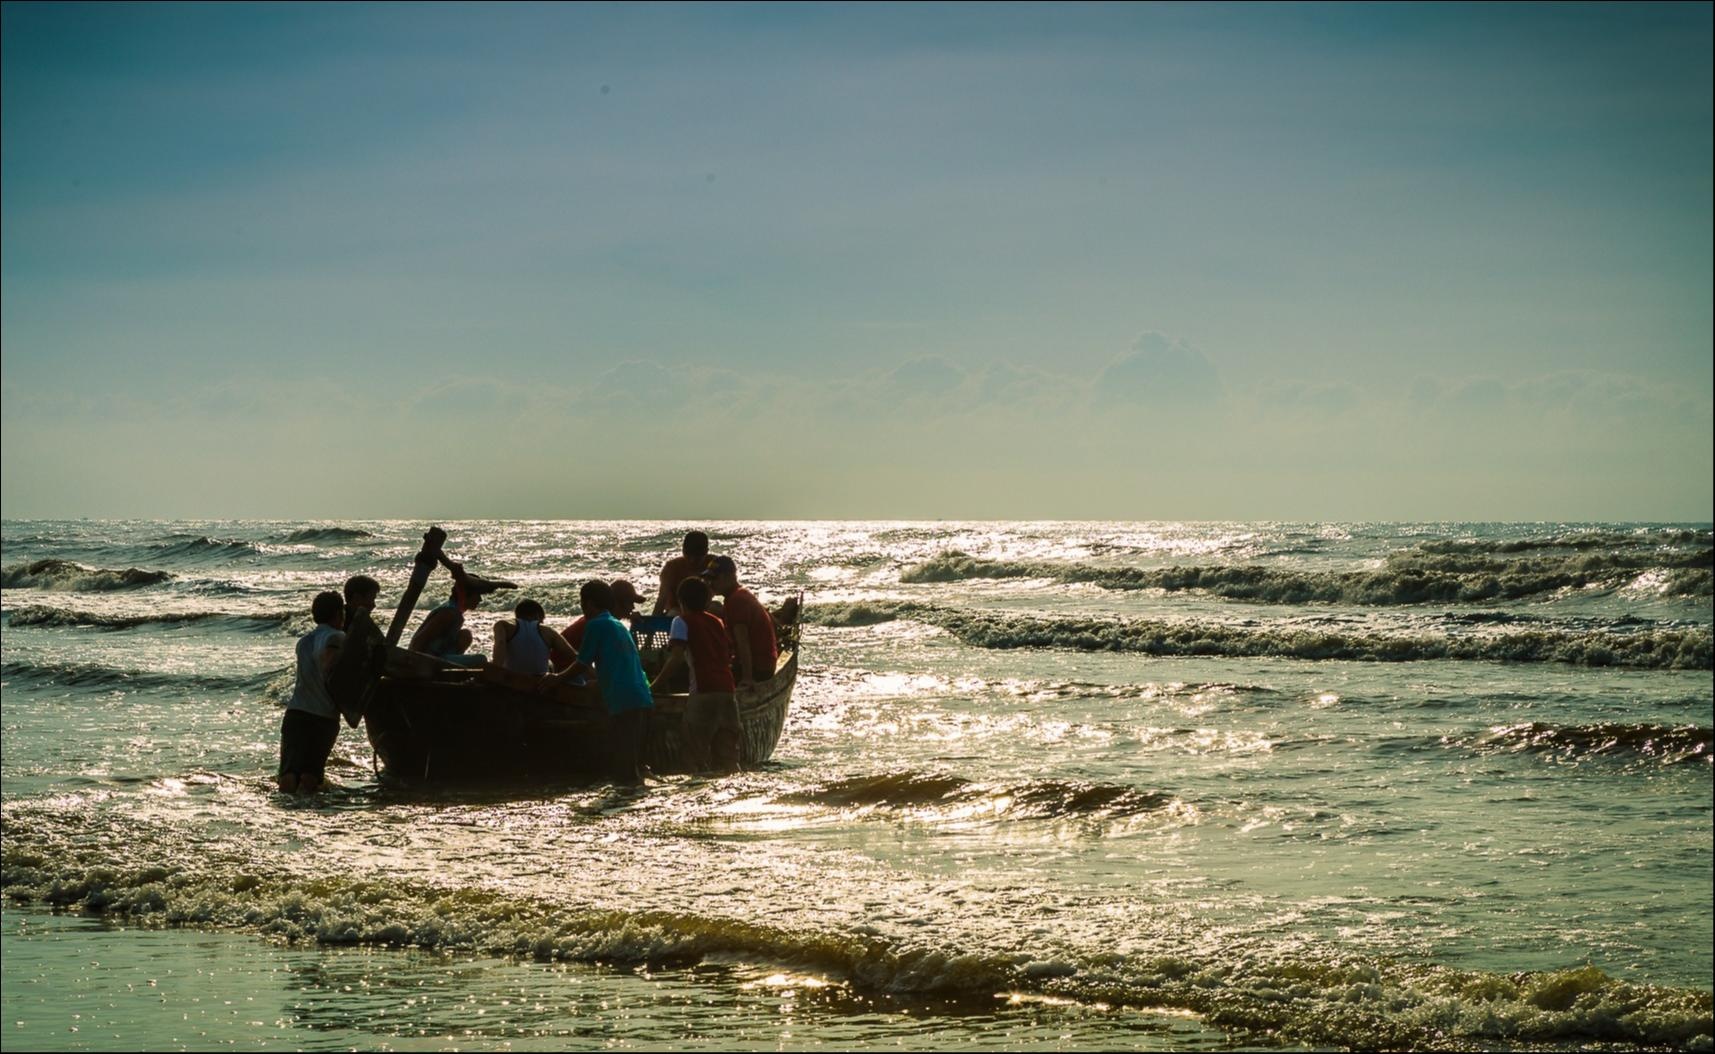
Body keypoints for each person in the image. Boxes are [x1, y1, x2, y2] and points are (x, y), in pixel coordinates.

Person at [545, 580, 655, 784]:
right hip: (641, 694)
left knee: (624, 763)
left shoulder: (596, 624)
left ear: (588, 603)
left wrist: (556, 680)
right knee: (633, 760)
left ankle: (624, 801)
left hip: (622, 698)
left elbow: (581, 663)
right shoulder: (616, 625)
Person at [651, 576, 740, 774]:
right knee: (728, 756)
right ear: (707, 601)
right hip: (727, 690)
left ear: (681, 601)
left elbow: (676, 659)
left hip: (703, 691)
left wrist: (654, 686)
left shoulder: (680, 621)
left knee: (693, 753)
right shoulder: (717, 621)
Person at [279, 591, 346, 794]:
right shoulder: (337, 636)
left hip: (296, 712)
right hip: (322, 716)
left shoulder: (304, 642)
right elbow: (329, 664)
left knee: (288, 774)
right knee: (310, 775)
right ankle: (306, 818)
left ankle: (287, 815)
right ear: (338, 613)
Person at [701, 556, 778, 686]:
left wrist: (747, 677)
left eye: (714, 579)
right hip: (763, 662)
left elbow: (743, 642)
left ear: (728, 577)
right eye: (708, 579)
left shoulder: (736, 601)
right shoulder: (740, 594)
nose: (710, 583)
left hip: (758, 668)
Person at [408, 562, 502, 666]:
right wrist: (413, 664)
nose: (480, 600)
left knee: (465, 635)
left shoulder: (456, 612)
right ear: (466, 594)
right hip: (429, 659)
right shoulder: (449, 613)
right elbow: (419, 641)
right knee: (481, 659)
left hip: (440, 655)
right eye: (477, 595)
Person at [327, 574, 387, 726]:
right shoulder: (345, 625)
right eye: (371, 599)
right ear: (357, 598)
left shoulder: (358, 622)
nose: (373, 605)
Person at [559, 579, 647, 656]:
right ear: (617, 603)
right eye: (630, 603)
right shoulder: (597, 625)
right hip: (564, 668)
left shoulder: (599, 620)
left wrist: (630, 618)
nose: (633, 608)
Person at [494, 598, 578, 675]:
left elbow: (500, 645)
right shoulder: (549, 632)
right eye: (542, 620)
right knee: (550, 664)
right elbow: (575, 657)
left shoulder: (503, 625)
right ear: (538, 616)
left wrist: (494, 672)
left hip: (510, 680)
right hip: (539, 684)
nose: (542, 623)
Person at [653, 531, 710, 615]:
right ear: (683, 550)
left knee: (716, 607)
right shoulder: (672, 567)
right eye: (688, 555)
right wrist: (652, 623)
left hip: (704, 609)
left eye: (698, 556)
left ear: (706, 551)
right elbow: (662, 599)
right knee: (675, 614)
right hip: (676, 609)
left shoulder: (713, 565)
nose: (692, 560)